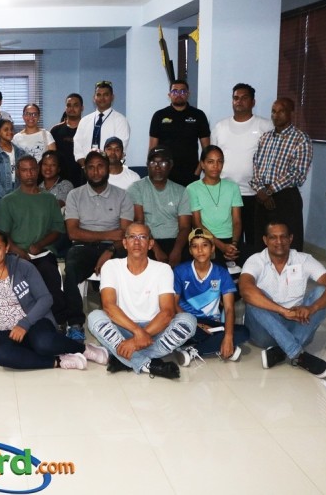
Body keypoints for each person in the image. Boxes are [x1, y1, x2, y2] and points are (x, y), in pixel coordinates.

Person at [0, 229, 109, 370]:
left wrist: (24, 324)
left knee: (43, 344)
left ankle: (84, 349)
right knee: (0, 354)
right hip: (3, 331)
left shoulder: (23, 267)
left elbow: (46, 298)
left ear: (6, 248)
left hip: (34, 321)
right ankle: (57, 361)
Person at [87, 223, 196, 379]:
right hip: (123, 328)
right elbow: (109, 306)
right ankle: (147, 364)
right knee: (95, 317)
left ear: (150, 244)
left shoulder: (163, 269)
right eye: (132, 237)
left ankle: (122, 356)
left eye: (142, 237)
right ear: (125, 243)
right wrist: (137, 333)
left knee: (188, 321)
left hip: (154, 330)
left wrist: (136, 340)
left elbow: (167, 312)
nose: (137, 242)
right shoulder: (111, 266)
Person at [239, 221, 326, 379]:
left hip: (297, 325)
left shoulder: (304, 260)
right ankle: (298, 354)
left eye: (283, 237)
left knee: (322, 291)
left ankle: (283, 350)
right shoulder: (255, 260)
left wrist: (312, 308)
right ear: (265, 240)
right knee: (254, 296)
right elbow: (245, 290)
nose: (279, 241)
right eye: (273, 237)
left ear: (291, 238)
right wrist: (283, 311)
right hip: (263, 331)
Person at [63, 151, 133, 341]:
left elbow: (125, 234)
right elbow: (73, 233)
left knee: (126, 266)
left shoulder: (123, 196)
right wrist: (109, 234)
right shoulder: (74, 195)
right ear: (85, 170)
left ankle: (124, 321)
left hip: (114, 247)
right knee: (71, 268)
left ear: (108, 168)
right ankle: (75, 324)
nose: (96, 172)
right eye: (91, 167)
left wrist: (110, 249)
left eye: (100, 166)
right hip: (82, 247)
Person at [0, 155, 68, 327]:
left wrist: (39, 245)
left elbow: (58, 229)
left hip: (43, 253)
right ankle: (19, 323)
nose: (29, 174)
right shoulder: (8, 201)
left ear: (38, 171)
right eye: (24, 170)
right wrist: (18, 251)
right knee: (18, 285)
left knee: (51, 279)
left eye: (32, 169)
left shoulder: (49, 199)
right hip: (15, 254)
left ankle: (58, 323)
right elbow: (2, 234)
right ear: (18, 173)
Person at [173, 228, 249, 365]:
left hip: (212, 323)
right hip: (188, 321)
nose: (200, 250)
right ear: (190, 250)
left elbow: (229, 308)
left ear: (213, 248)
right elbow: (174, 304)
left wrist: (228, 337)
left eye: (204, 245)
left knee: (243, 332)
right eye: (195, 246)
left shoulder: (221, 272)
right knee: (179, 327)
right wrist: (196, 324)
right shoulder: (180, 271)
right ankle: (216, 345)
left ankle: (192, 351)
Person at [210, 83, 273, 246]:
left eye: (244, 98)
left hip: (255, 194)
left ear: (253, 102)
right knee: (229, 238)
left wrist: (267, 189)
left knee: (254, 239)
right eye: (236, 98)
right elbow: (211, 157)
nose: (239, 101)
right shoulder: (220, 126)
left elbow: (273, 161)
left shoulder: (265, 126)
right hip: (225, 193)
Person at [249, 98, 312, 252]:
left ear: (291, 113)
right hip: (262, 197)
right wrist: (260, 190)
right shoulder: (265, 138)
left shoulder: (301, 139)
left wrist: (270, 190)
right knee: (261, 242)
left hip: (285, 198)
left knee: (287, 244)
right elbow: (256, 165)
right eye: (273, 111)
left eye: (281, 111)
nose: (276, 115)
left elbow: (297, 173)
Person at [127, 146, 192, 267]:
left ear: (170, 165)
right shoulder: (136, 188)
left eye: (162, 162)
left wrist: (177, 251)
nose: (157, 166)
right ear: (147, 165)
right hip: (148, 241)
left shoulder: (181, 191)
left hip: (176, 241)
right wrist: (156, 250)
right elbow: (139, 222)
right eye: (153, 162)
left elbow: (185, 226)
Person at [186, 145, 243, 266]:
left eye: (219, 162)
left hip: (230, 240)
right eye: (210, 162)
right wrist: (221, 246)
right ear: (202, 164)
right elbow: (197, 223)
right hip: (204, 240)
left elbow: (237, 221)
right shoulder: (192, 188)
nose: (215, 166)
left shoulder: (233, 187)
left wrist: (233, 245)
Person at [148, 79, 211, 187]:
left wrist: (197, 173)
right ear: (169, 95)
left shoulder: (199, 115)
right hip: (164, 173)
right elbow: (152, 149)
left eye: (182, 91)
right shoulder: (159, 116)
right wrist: (153, 172)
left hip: (190, 175)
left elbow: (207, 149)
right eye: (175, 91)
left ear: (188, 94)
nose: (178, 94)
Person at [73, 81, 131, 166]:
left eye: (106, 95)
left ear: (112, 97)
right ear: (94, 98)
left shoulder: (121, 121)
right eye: (98, 95)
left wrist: (102, 169)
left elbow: (119, 150)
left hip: (111, 170)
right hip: (86, 169)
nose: (102, 98)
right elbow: (78, 149)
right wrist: (87, 167)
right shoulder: (84, 121)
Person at [0, 118, 28, 204]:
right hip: (1, 198)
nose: (10, 132)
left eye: (11, 129)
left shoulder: (20, 152)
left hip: (19, 195)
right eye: (6, 130)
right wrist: (6, 198)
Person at [49, 93, 85, 187]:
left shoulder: (88, 129)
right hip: (60, 181)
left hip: (83, 179)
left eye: (75, 105)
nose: (71, 108)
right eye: (69, 105)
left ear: (82, 108)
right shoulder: (55, 130)